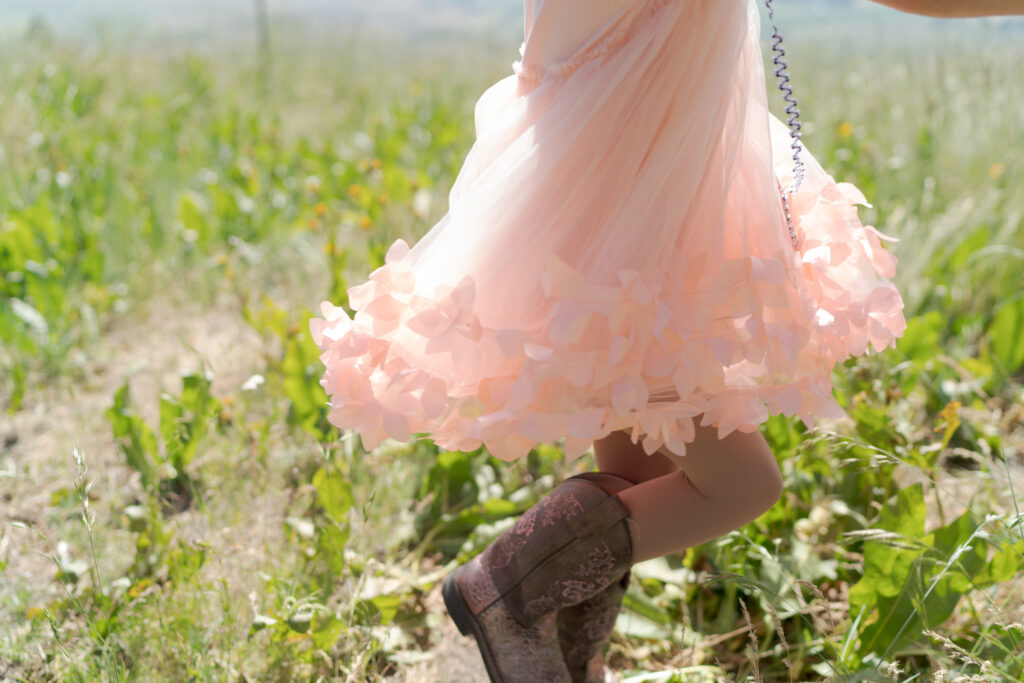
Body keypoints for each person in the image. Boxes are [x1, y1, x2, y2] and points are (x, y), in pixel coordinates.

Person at [310, 0, 1024, 680]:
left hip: (618, 189)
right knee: (742, 484)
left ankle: (572, 660)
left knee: (635, 478)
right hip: (629, 202)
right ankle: (506, 586)